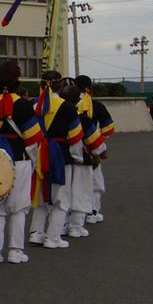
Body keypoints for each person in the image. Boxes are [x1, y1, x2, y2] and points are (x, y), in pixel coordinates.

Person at [0, 62, 45, 264]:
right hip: (20, 159)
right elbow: (34, 138)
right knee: (19, 207)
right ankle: (15, 251)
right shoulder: (23, 105)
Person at [28, 72, 83, 249]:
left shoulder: (34, 105)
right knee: (61, 198)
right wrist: (77, 157)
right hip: (61, 154)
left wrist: (33, 157)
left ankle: (36, 233)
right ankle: (53, 237)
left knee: (42, 196)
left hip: (39, 153)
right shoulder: (67, 107)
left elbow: (28, 135)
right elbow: (75, 136)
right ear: (60, 86)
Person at [58, 80, 107, 238]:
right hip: (81, 160)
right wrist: (100, 154)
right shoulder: (82, 119)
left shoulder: (53, 118)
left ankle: (62, 225)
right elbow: (96, 144)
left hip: (61, 160)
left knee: (63, 195)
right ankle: (76, 226)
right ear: (78, 99)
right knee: (81, 192)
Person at [76, 75, 113, 224]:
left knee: (74, 185)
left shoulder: (66, 104)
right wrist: (99, 143)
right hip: (92, 148)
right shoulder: (96, 105)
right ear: (88, 88)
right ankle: (92, 212)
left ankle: (71, 218)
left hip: (69, 149)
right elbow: (109, 127)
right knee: (96, 184)